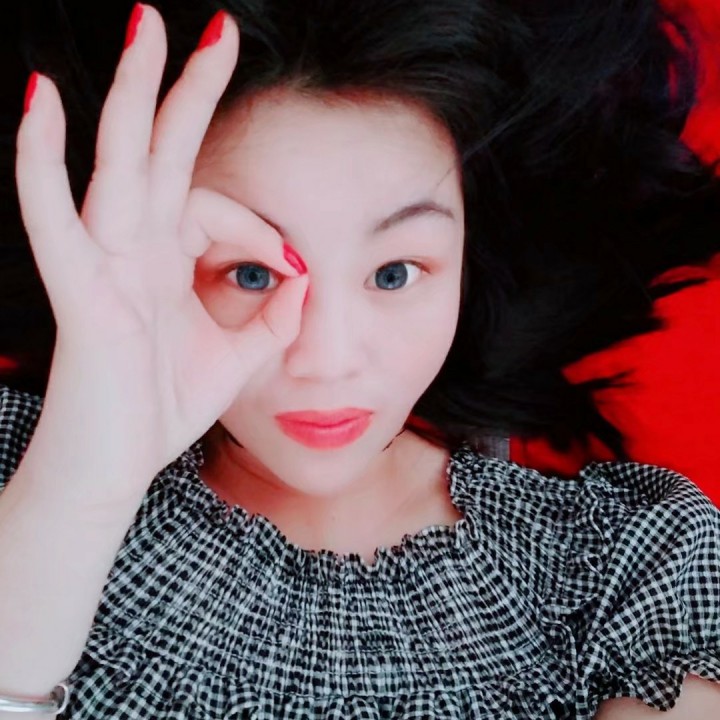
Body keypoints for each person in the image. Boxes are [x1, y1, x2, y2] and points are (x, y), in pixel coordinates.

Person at [0, 0, 719, 717]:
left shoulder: (634, 565)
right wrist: (78, 489)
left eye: (394, 273)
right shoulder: (27, 477)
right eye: (250, 273)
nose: (327, 360)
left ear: (468, 260)